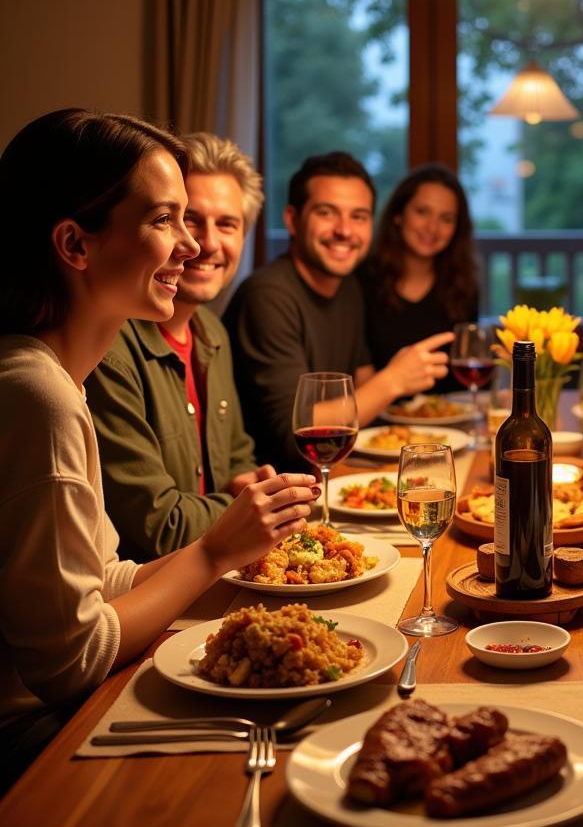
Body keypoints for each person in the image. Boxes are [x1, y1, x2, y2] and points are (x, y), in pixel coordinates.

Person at [0, 110, 316, 788]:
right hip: (28, 742)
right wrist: (214, 551)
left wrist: (232, 543)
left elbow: (102, 577)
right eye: (165, 221)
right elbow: (68, 663)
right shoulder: (36, 396)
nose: (191, 249)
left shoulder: (57, 379)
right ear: (75, 245)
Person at [86, 132, 273, 560]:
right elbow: (160, 528)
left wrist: (248, 485)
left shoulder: (213, 332)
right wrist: (253, 508)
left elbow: (238, 459)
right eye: (188, 219)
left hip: (216, 576)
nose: (205, 243)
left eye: (227, 224)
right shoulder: (107, 346)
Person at [223, 151, 453, 471]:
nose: (345, 230)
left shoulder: (347, 287)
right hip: (281, 493)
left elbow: (361, 378)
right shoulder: (267, 297)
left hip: (336, 473)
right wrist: (393, 381)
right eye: (327, 213)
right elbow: (293, 433)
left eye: (358, 216)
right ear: (292, 219)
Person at [360, 163, 478, 393]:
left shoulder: (463, 285)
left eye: (446, 218)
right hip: (379, 422)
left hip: (450, 423)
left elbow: (466, 378)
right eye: (422, 212)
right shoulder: (362, 280)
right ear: (398, 215)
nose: (432, 228)